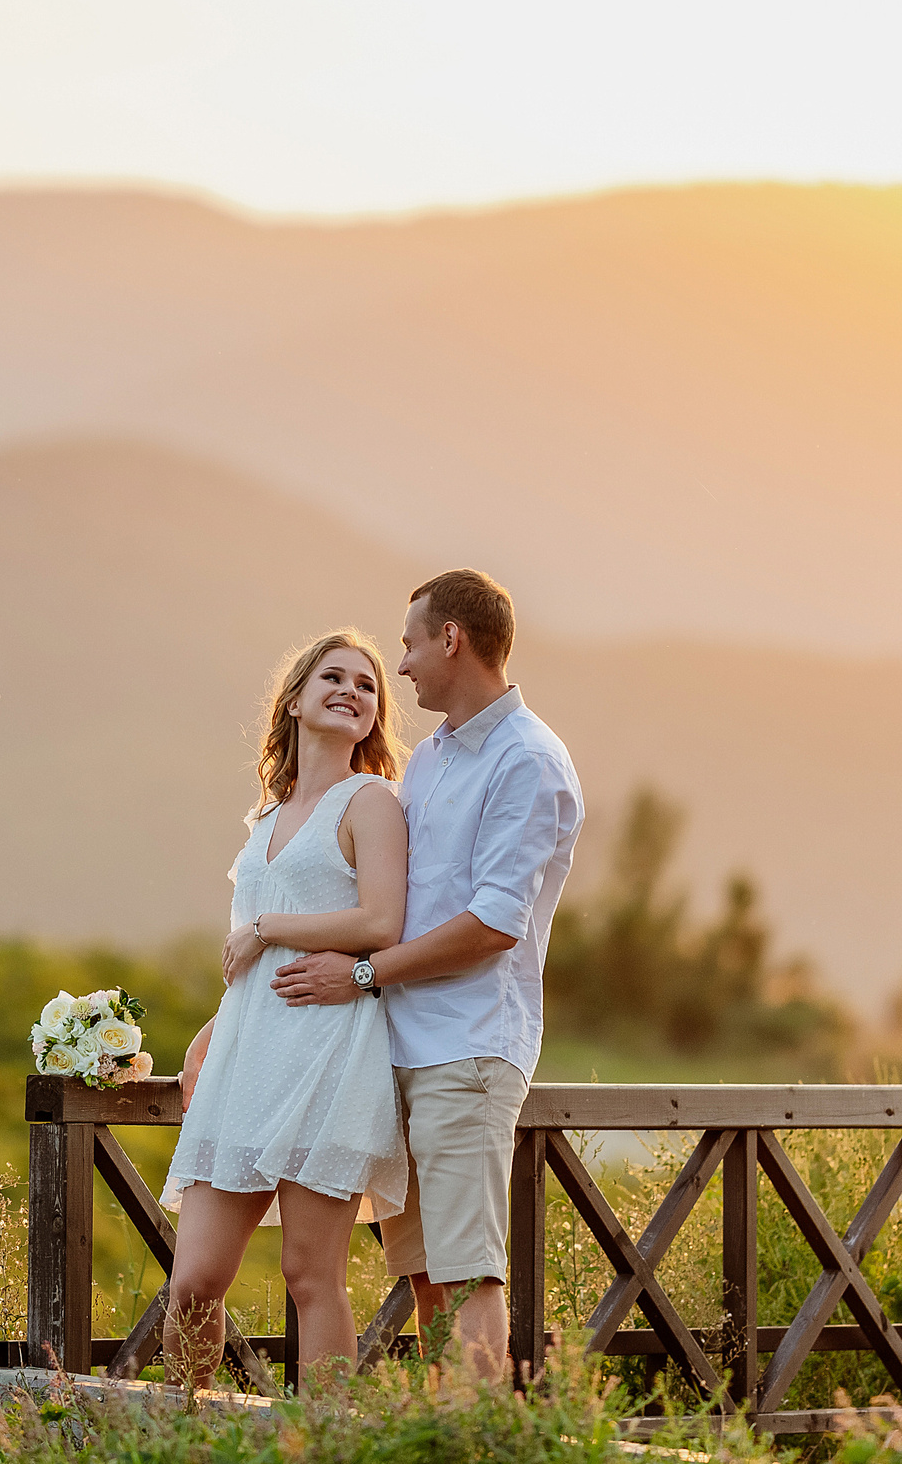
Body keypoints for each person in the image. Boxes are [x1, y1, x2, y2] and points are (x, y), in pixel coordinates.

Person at [272, 570, 583, 1383]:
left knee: (469, 1269)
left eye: (409, 643)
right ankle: (443, 1432)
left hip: (468, 1050)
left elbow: (491, 925)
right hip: (396, 1047)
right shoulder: (435, 757)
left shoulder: (528, 760)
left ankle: (476, 1442)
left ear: (452, 639)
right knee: (422, 1275)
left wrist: (365, 973)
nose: (401, 665)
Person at [160, 629, 412, 1389]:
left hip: (329, 1053)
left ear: (373, 715)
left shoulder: (371, 802)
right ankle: (186, 1433)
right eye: (333, 676)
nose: (352, 690)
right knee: (194, 1279)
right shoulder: (265, 820)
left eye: (367, 685)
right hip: (248, 1059)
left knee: (310, 1275)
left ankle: (321, 1445)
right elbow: (247, 959)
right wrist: (211, 1032)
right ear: (295, 699)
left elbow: (381, 921)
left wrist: (267, 927)